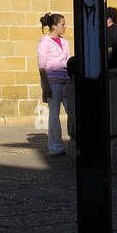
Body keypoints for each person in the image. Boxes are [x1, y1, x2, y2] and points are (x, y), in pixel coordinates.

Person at [37, 12, 73, 157]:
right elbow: (41, 64)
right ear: (54, 26)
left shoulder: (65, 42)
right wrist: (45, 85)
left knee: (72, 110)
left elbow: (68, 60)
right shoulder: (44, 41)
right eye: (62, 24)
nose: (64, 27)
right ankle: (55, 145)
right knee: (54, 114)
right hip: (53, 82)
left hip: (66, 80)